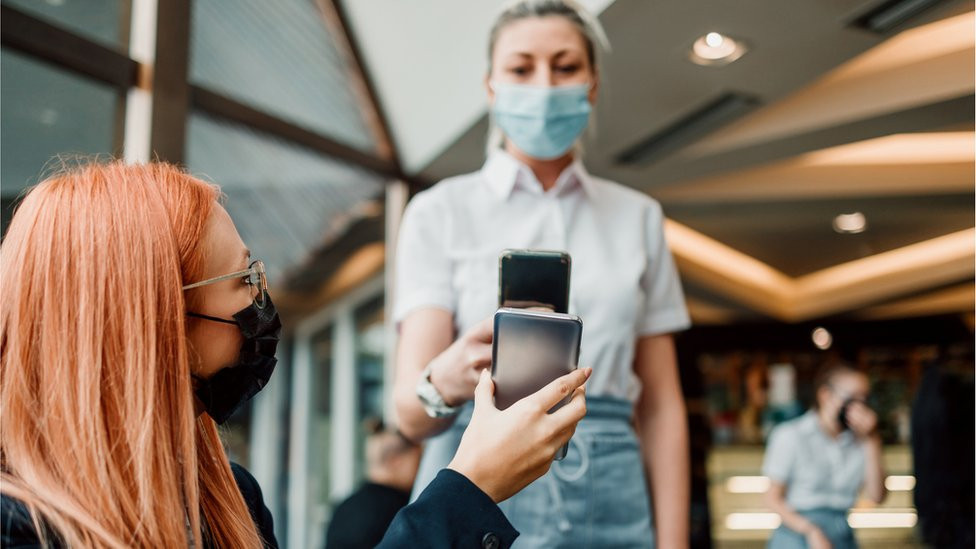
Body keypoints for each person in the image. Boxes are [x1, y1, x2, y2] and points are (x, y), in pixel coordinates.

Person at [0, 161, 591, 548]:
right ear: (156, 321)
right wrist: (470, 487)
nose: (262, 299)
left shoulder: (228, 494)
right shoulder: (21, 530)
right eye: (242, 280)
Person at [392, 1, 692, 547]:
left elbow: (662, 404)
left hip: (613, 484)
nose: (545, 84)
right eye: (522, 68)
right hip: (475, 459)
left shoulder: (638, 216)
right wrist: (447, 377)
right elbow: (409, 417)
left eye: (566, 66)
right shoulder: (439, 211)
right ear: (491, 85)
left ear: (593, 84)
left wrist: (674, 541)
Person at [763, 364, 887, 549]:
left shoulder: (862, 441)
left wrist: (872, 440)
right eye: (853, 397)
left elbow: (877, 496)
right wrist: (811, 531)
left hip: (842, 535)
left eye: (865, 399)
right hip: (795, 535)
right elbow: (771, 499)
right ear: (825, 395)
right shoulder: (790, 435)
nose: (860, 406)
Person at [325, 421, 421, 549]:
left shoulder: (345, 505)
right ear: (395, 461)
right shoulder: (398, 508)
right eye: (419, 458)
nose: (420, 468)